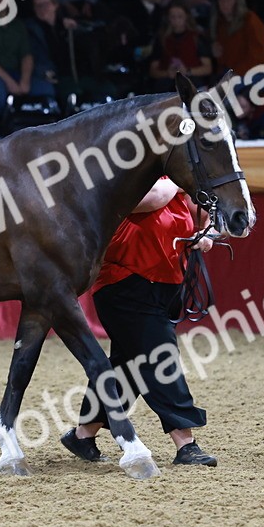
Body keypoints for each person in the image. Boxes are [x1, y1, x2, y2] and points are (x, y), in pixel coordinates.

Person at [60, 177, 218, 467]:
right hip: (124, 285)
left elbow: (208, 220)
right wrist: (180, 184)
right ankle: (185, 443)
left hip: (165, 286)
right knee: (161, 359)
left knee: (127, 367)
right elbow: (154, 197)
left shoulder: (176, 186)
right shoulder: (132, 179)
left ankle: (83, 434)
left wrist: (204, 236)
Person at [26, 0, 114, 106]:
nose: (41, 8)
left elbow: (98, 31)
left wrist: (76, 28)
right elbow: (36, 54)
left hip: (81, 74)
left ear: (55, 5)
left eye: (45, 4)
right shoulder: (32, 29)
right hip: (57, 76)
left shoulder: (69, 23)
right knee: (71, 94)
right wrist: (46, 72)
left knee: (108, 90)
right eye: (37, 5)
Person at [211, 0, 264, 78]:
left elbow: (257, 55)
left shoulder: (250, 20)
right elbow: (224, 60)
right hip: (232, 72)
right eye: (221, 0)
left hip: (255, 71)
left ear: (237, 1)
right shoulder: (220, 24)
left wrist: (235, 74)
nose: (224, 3)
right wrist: (217, 54)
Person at [148, 1, 211, 91]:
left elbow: (207, 68)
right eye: (173, 17)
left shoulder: (197, 38)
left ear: (186, 17)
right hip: (167, 84)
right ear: (168, 18)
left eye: (180, 16)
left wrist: (188, 71)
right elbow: (153, 70)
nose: (176, 20)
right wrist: (167, 73)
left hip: (192, 83)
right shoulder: (162, 39)